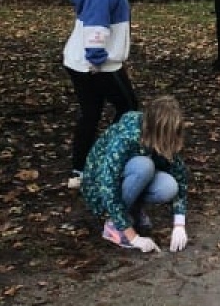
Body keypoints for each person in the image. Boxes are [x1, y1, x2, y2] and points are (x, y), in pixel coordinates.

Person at [63, 0, 139, 189]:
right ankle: (107, 158)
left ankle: (79, 171)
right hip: (97, 63)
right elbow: (96, 24)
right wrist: (96, 59)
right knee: (129, 107)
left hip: (78, 61)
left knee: (91, 114)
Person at [81, 95, 189, 254]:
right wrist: (133, 237)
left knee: (169, 186)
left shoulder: (162, 140)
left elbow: (180, 176)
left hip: (129, 178)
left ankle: (132, 210)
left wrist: (179, 224)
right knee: (144, 166)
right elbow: (107, 184)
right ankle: (114, 226)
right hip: (99, 189)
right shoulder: (127, 137)